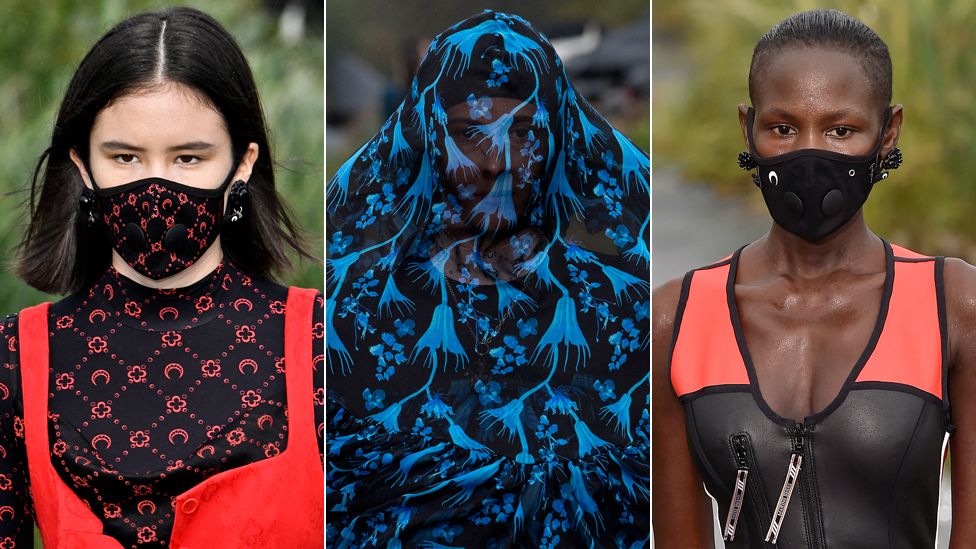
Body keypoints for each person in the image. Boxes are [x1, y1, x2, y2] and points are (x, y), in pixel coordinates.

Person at [0, 7, 324, 547]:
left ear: (241, 164)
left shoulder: (322, 341)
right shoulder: (15, 357)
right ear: (82, 165)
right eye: (125, 156)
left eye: (188, 158)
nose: (156, 186)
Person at [326, 10, 649, 547]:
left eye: (523, 132)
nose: (496, 161)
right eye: (469, 133)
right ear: (429, 138)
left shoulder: (623, 312)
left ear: (557, 142)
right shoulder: (355, 314)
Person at [653, 9, 976, 546]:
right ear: (748, 129)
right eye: (783, 128)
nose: (809, 155)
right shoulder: (677, 318)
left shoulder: (953, 306)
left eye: (840, 130)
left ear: (888, 132)